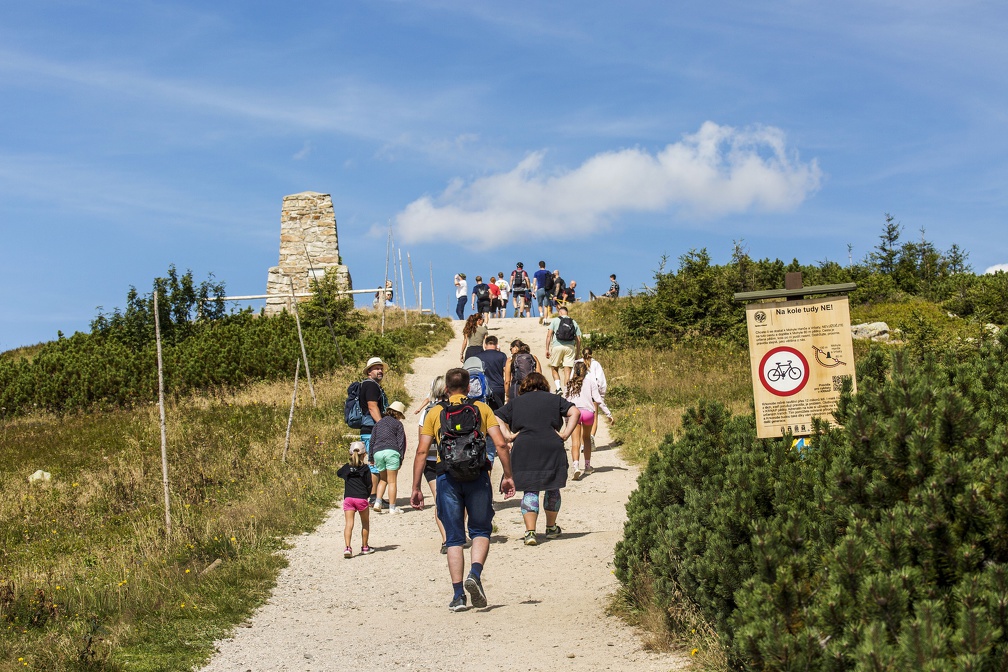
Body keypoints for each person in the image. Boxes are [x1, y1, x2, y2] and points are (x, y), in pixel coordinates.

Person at [411, 368, 515, 612]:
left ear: (446, 389)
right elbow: (500, 443)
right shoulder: (482, 409)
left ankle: (458, 595)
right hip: (477, 475)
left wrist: (416, 487)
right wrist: (508, 476)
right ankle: (475, 574)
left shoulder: (434, 412)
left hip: (446, 476)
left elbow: (422, 452)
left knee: (454, 537)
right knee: (480, 530)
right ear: (469, 388)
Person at [494, 372, 580, 546]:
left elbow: (496, 416)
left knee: (530, 489)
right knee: (553, 487)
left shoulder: (515, 403)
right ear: (544, 385)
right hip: (552, 447)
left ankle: (530, 532)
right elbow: (575, 412)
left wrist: (508, 436)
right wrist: (565, 434)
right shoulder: (555, 400)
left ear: (524, 386)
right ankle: (550, 528)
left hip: (524, 448)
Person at [414, 376, 449, 553]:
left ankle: (446, 539)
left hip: (432, 461)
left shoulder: (427, 412)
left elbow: (422, 445)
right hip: (455, 459)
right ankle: (456, 533)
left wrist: (416, 485)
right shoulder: (460, 408)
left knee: (440, 501)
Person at [564, 361, 613, 480]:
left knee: (575, 442)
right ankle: (587, 466)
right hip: (588, 414)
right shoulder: (591, 383)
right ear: (586, 371)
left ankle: (576, 466)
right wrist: (608, 414)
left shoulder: (569, 384)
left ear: (574, 371)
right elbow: (598, 400)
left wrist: (565, 418)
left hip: (574, 414)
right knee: (586, 439)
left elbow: (564, 402)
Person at [359, 357, 389, 508]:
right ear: (369, 372)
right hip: (372, 429)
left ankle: (376, 496)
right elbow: (372, 407)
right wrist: (383, 425)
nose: (380, 371)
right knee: (375, 464)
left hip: (370, 428)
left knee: (376, 463)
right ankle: (373, 497)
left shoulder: (370, 385)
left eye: (381, 368)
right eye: (376, 368)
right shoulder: (371, 386)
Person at [337, 442, 375, 558]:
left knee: (349, 524)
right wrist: (368, 496)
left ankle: (347, 548)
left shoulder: (346, 468)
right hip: (361, 498)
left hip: (349, 498)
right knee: (365, 523)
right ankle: (364, 547)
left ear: (350, 453)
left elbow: (338, 473)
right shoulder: (365, 469)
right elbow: (369, 484)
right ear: (364, 455)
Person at [370, 401, 408, 514]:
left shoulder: (378, 423)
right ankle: (392, 508)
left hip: (378, 452)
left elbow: (372, 440)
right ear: (397, 414)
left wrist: (371, 457)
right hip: (391, 451)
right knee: (392, 481)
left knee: (383, 479)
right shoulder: (398, 424)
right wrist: (401, 458)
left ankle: (377, 502)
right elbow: (401, 442)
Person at [545, 305, 582, 394]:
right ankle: (566, 391)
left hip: (557, 347)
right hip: (570, 348)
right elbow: (578, 339)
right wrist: (577, 353)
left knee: (554, 368)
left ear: (560, 312)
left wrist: (547, 349)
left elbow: (549, 335)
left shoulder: (555, 320)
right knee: (567, 371)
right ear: (567, 313)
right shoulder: (573, 322)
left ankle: (558, 388)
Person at [578, 347, 608, 451]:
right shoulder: (596, 365)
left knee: (582, 419)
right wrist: (601, 396)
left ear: (582, 354)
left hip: (581, 394)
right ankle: (591, 438)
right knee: (594, 418)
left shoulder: (577, 363)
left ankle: (582, 444)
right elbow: (601, 382)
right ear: (592, 354)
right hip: (593, 394)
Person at [475, 334, 508, 410]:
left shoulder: (478, 356)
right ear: (497, 345)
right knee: (499, 414)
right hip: (498, 387)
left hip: (483, 388)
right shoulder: (502, 356)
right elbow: (506, 371)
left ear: (485, 345)